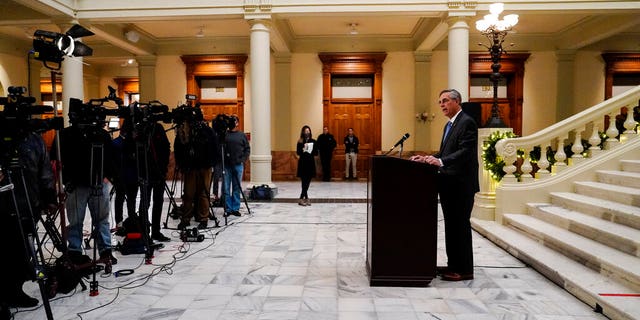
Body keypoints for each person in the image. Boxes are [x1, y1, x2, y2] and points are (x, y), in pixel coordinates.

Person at [410, 88, 479, 281]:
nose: (441, 105)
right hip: (449, 184)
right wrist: (428, 158)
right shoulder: (450, 125)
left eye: (445, 101)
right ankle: (453, 265)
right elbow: (446, 152)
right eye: (440, 102)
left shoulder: (467, 123)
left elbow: (465, 152)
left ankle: (464, 270)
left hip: (462, 185)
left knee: (460, 227)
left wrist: (441, 162)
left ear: (457, 102)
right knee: (452, 226)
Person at [0, 129, 57, 317]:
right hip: (3, 204)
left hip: (27, 204)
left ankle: (15, 290)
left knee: (23, 252)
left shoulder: (35, 140)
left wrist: (49, 198)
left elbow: (45, 172)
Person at [57, 109, 118, 267]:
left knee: (102, 219)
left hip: (99, 182)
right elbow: (56, 159)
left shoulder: (102, 135)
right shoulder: (65, 135)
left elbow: (111, 158)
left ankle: (105, 250)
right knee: (76, 220)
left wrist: (107, 177)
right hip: (76, 184)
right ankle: (75, 250)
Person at [174, 111, 218, 230]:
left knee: (204, 193)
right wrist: (182, 165)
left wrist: (210, 164)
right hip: (190, 167)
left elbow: (214, 148)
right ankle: (186, 218)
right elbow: (178, 148)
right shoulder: (184, 131)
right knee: (188, 194)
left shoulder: (207, 131)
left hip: (205, 167)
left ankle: (203, 218)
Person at [136, 121, 171, 242]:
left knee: (158, 202)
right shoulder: (140, 128)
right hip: (145, 173)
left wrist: (164, 168)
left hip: (159, 173)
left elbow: (166, 148)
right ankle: (143, 231)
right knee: (145, 202)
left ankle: (156, 231)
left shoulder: (158, 128)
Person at [223, 115, 250, 217]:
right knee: (225, 187)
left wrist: (243, 159)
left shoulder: (241, 135)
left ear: (237, 123)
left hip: (238, 165)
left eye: (234, 120)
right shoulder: (224, 135)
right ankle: (228, 208)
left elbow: (247, 148)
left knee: (236, 187)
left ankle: (235, 208)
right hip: (226, 165)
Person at [296, 125, 318, 206]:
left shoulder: (314, 141)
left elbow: (316, 153)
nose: (307, 132)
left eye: (308, 131)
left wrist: (310, 150)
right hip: (302, 162)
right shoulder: (300, 141)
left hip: (310, 162)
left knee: (308, 181)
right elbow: (298, 153)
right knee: (303, 181)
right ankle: (305, 198)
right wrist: (303, 149)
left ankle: (303, 198)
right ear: (303, 132)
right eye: (306, 131)